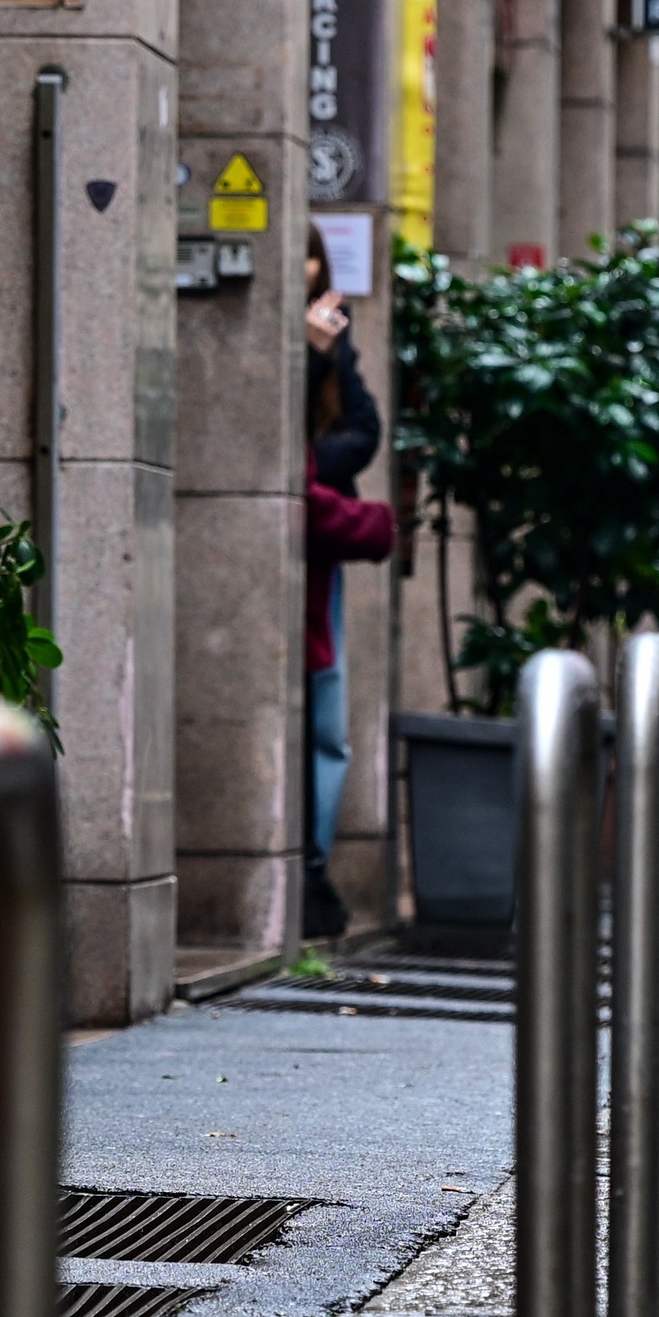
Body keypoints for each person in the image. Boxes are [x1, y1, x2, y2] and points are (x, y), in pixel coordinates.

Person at [304, 226, 391, 938]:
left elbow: (363, 430)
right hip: (291, 546)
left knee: (329, 721)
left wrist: (312, 475)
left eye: (313, 258)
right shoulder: (292, 347)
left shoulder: (337, 341)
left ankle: (310, 863)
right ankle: (298, 865)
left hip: (318, 550)